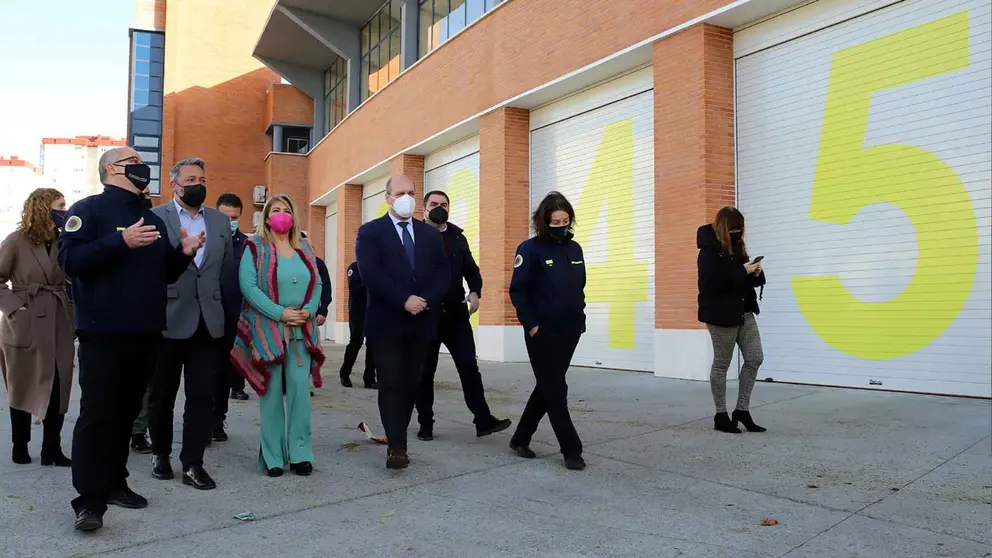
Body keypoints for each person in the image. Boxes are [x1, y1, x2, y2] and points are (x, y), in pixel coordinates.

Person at [59, 146, 204, 532]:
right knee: (98, 414)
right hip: (103, 332)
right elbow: (71, 263)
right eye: (133, 161)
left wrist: (183, 254)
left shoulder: (148, 216)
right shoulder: (87, 210)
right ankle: (88, 501)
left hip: (145, 331)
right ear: (111, 169)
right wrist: (119, 243)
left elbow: (162, 274)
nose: (142, 167)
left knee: (125, 414)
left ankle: (114, 483)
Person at [146, 157, 233, 490]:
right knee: (162, 395)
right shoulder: (155, 218)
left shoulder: (219, 222)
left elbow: (224, 271)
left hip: (207, 324)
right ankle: (160, 454)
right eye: (191, 178)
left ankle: (193, 463)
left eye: (203, 177)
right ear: (175, 184)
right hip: (167, 320)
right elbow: (151, 269)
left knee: (202, 396)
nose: (199, 183)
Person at [355, 175, 447, 469]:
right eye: (400, 192)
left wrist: (425, 300)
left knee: (411, 383)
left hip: (422, 321)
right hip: (387, 322)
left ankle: (399, 436)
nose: (406, 197)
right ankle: (397, 446)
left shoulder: (430, 235)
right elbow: (371, 273)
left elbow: (442, 273)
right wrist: (403, 299)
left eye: (411, 192)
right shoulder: (370, 232)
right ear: (388, 198)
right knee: (391, 383)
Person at [231, 194, 325, 477]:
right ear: (267, 217)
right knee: (270, 394)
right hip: (268, 330)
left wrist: (308, 310)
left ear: (294, 216)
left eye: (287, 210)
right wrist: (279, 313)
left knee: (299, 393)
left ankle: (300, 454)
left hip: (301, 330)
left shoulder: (304, 247)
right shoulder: (254, 246)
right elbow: (248, 286)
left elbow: (317, 282)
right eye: (275, 210)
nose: (281, 214)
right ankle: (272, 457)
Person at [415, 190, 511, 441]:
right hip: (425, 315)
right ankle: (425, 424)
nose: (439, 207)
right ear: (423, 209)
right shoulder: (413, 235)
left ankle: (483, 420)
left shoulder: (457, 237)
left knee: (469, 367)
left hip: (456, 315)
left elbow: (472, 270)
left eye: (444, 204)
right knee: (425, 372)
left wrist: (475, 292)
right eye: (434, 204)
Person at [507, 191, 587, 471]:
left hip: (570, 329)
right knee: (556, 388)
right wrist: (531, 324)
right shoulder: (529, 249)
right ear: (544, 221)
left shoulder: (574, 249)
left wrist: (581, 316)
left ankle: (520, 438)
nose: (562, 225)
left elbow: (579, 286)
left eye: (566, 220)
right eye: (556, 221)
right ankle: (571, 449)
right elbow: (518, 291)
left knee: (547, 386)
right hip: (542, 331)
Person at [0, 188, 75, 467]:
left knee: (59, 384)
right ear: (43, 208)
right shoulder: (16, 241)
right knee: (22, 385)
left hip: (58, 319)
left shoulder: (64, 240)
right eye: (60, 205)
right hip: (25, 322)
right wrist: (14, 307)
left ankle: (51, 449)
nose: (65, 210)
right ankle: (20, 446)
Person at [697, 206, 766, 434]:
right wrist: (741, 273)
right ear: (723, 227)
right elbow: (709, 286)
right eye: (734, 229)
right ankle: (720, 415)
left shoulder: (738, 246)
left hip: (744, 312)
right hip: (721, 316)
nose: (738, 233)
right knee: (722, 364)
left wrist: (755, 273)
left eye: (740, 229)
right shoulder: (708, 251)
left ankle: (742, 410)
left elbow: (744, 281)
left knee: (755, 358)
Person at [213, 193, 249, 443]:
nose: (230, 222)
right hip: (206, 318)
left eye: (234, 218)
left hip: (235, 320)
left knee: (225, 374)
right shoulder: (204, 239)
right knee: (205, 374)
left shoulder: (248, 245)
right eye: (225, 217)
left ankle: (217, 421)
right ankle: (202, 422)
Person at [129, 190, 156, 455]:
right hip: (120, 319)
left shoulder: (154, 227)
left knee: (147, 384)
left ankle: (138, 431)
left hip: (151, 318)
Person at [338, 260, 377, 389]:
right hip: (358, 311)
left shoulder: (378, 267)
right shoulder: (354, 267)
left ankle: (369, 378)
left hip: (373, 311)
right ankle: (345, 374)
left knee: (372, 344)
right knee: (356, 341)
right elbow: (354, 289)